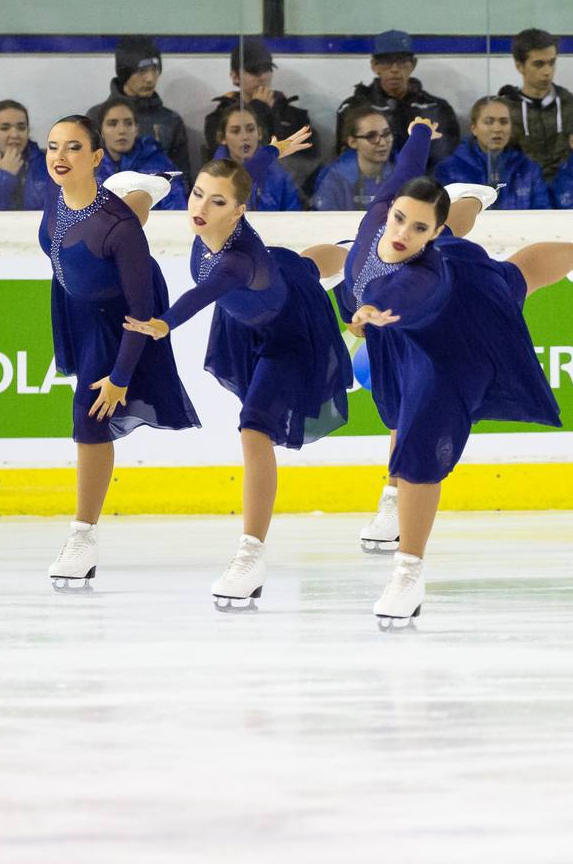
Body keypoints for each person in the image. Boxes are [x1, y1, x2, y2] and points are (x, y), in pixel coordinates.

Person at [329, 118, 573, 629]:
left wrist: (370, 311)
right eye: (399, 218)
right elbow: (405, 170)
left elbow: (401, 294)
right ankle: (470, 197)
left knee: (518, 277)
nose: (402, 234)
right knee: (399, 406)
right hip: (394, 326)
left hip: (456, 322)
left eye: (419, 228)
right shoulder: (379, 219)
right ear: (389, 210)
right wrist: (419, 132)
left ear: (433, 234)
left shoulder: (423, 273)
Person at [122, 157, 351, 611]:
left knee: (254, 428)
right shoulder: (208, 229)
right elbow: (248, 167)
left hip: (288, 336)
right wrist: (273, 148)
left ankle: (250, 554)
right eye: (198, 194)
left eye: (218, 201)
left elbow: (201, 294)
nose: (201, 206)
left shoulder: (236, 261)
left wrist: (165, 323)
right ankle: (349, 251)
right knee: (302, 265)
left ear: (239, 211)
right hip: (252, 313)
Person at [39, 114, 201, 592]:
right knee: (121, 210)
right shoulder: (55, 197)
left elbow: (141, 311)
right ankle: (144, 187)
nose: (59, 158)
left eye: (72, 149)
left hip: (120, 318)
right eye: (52, 147)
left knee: (89, 417)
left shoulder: (121, 228)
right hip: (77, 303)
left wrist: (121, 376)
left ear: (94, 157)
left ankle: (82, 537)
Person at [202, 38, 318, 196]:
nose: (262, 76)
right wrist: (258, 110)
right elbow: (224, 161)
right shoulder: (218, 118)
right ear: (235, 76)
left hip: (285, 195)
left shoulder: (294, 116)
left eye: (266, 69)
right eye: (253, 70)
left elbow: (307, 163)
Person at [334, 30, 461, 173]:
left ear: (413, 64)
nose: (394, 69)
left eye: (401, 61)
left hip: (424, 188)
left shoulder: (437, 108)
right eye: (386, 62)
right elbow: (346, 160)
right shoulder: (353, 108)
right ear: (374, 65)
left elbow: (447, 160)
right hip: (371, 187)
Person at [497, 28, 573, 178]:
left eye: (552, 63)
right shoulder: (503, 111)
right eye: (539, 64)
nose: (547, 71)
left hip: (568, 194)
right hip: (521, 194)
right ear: (519, 66)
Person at [434, 97, 549, 210]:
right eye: (489, 122)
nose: (497, 128)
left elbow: (544, 215)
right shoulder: (449, 169)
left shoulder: (528, 169)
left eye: (504, 122)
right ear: (474, 128)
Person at [109, 35, 193, 172]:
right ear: (125, 73)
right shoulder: (98, 119)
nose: (150, 79)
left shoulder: (171, 121)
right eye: (142, 71)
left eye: (155, 69)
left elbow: (182, 179)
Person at [89, 96, 184, 210]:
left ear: (136, 129)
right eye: (112, 123)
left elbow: (177, 212)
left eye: (128, 123)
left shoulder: (161, 165)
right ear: (101, 131)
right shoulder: (89, 168)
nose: (122, 130)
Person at [208, 106, 304, 212]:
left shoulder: (279, 175)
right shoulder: (211, 176)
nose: (245, 137)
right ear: (222, 138)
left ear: (259, 133)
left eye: (250, 129)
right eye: (235, 131)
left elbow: (294, 219)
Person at [313, 106, 396, 211]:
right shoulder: (334, 178)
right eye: (371, 136)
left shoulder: (404, 171)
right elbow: (323, 223)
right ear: (352, 142)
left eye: (386, 134)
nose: (383, 143)